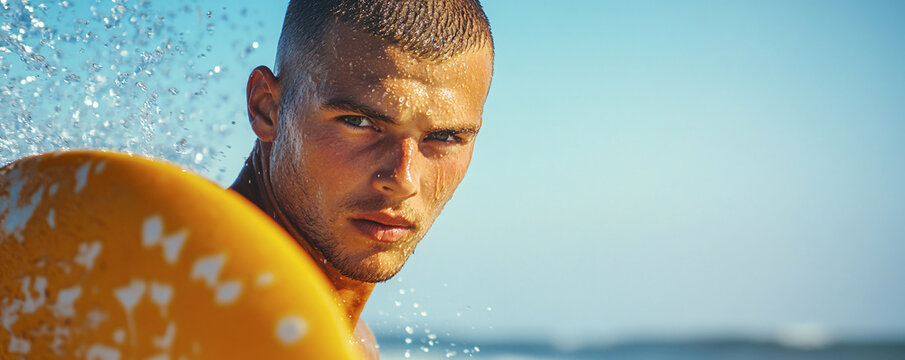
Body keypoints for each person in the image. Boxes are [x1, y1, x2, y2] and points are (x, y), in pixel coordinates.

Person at [228, 0, 494, 357]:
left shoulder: (347, 340)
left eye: (444, 137)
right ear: (267, 108)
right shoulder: (187, 293)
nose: (403, 179)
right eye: (359, 122)